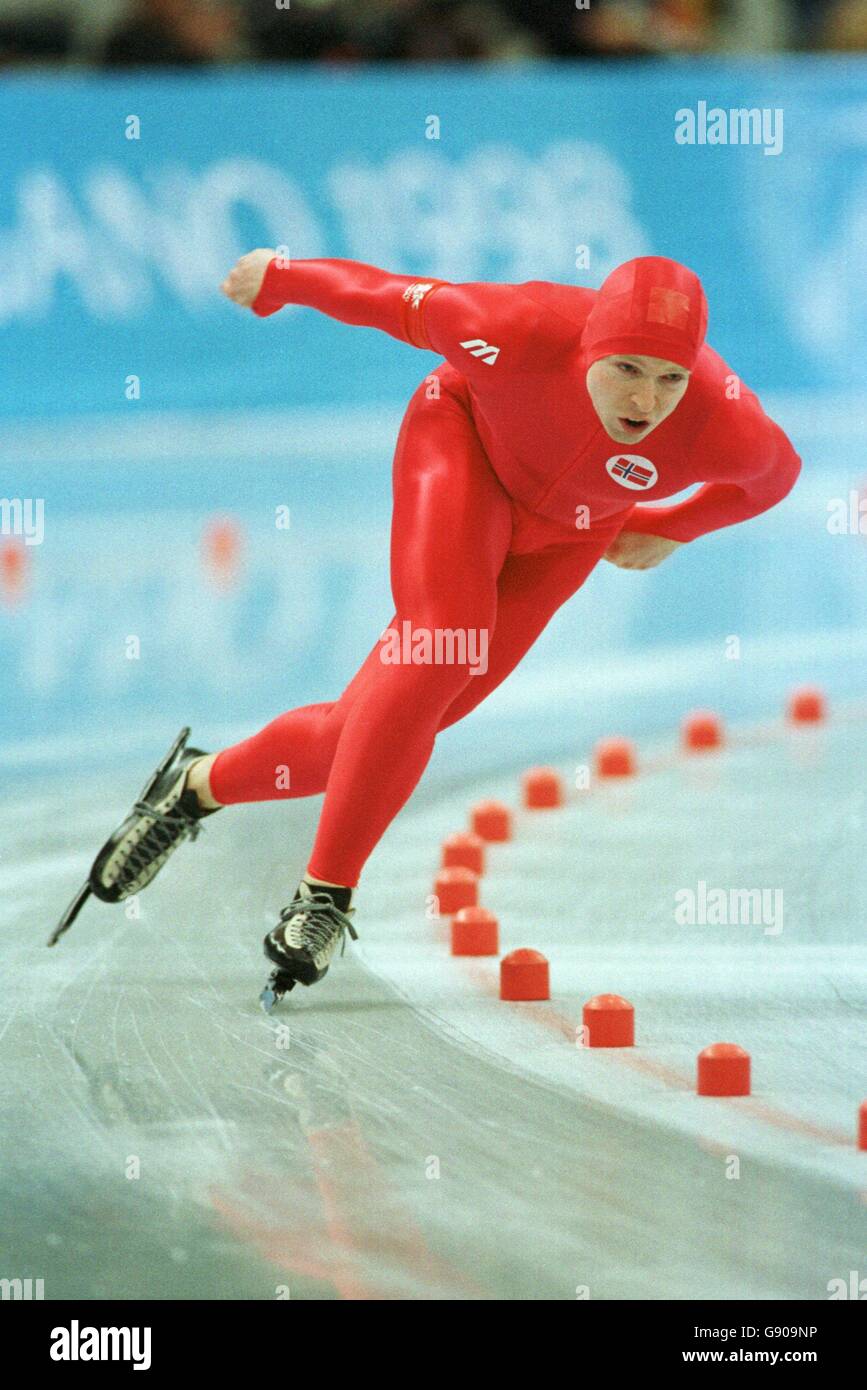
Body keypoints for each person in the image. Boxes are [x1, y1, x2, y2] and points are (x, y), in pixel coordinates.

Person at [52, 251, 801, 1006]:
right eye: (627, 370)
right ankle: (324, 899)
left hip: (571, 534)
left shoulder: (723, 423)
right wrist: (280, 279)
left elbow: (775, 478)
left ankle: (193, 788)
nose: (646, 400)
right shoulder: (512, 329)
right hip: (461, 447)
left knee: (378, 730)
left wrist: (676, 526)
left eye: (670, 377)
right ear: (588, 350)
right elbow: (381, 297)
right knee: (444, 641)